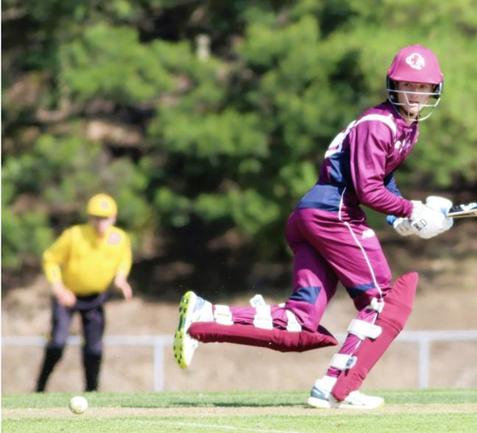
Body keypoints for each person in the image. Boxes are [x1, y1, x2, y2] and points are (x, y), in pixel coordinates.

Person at [173, 44, 453, 409]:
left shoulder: (407, 129)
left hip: (314, 214)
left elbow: (382, 181)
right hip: (332, 214)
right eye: (408, 85)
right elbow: (366, 187)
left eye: (422, 87)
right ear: (392, 85)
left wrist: (397, 216)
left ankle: (206, 315)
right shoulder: (378, 125)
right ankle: (338, 385)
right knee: (381, 302)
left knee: (299, 321)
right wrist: (411, 209)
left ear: (434, 90)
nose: (415, 94)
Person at [35, 193, 133, 392]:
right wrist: (58, 288)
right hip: (67, 296)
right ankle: (40, 387)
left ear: (113, 218)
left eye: (105, 218)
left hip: (95, 298)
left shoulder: (119, 238)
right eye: (96, 217)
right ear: (89, 217)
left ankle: (92, 391)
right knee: (57, 344)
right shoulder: (74, 235)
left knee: (94, 349)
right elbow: (50, 259)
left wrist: (120, 278)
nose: (100, 223)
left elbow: (124, 258)